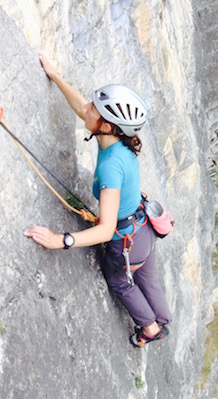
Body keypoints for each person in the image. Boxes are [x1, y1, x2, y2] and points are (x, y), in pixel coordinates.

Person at [24, 54, 172, 347]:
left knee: (121, 281)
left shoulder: (109, 166)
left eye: (95, 109)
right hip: (144, 230)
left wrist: (61, 240)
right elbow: (81, 107)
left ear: (105, 126)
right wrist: (54, 76)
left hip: (126, 239)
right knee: (147, 276)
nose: (87, 109)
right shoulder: (120, 142)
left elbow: (105, 231)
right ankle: (163, 319)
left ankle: (151, 329)